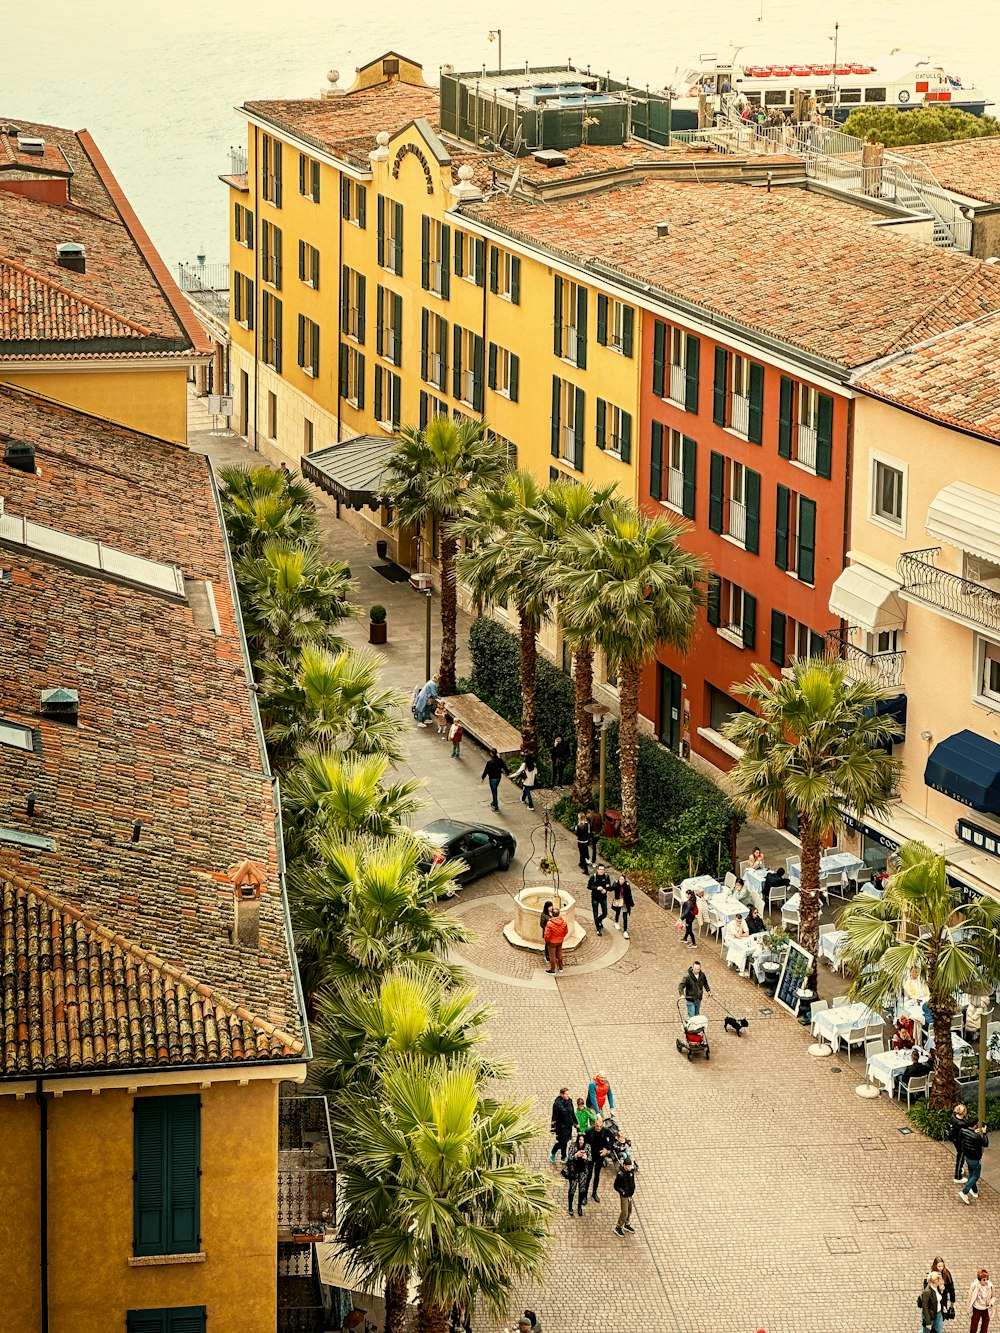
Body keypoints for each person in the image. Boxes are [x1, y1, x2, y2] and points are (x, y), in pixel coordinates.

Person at [585, 1115, 614, 1202]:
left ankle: (594, 1193)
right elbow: (584, 1142)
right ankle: (585, 1194)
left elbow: (612, 1138)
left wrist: (607, 1149)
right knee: (588, 1175)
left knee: (597, 1175)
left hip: (600, 1156)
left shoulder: (605, 1130)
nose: (598, 1128)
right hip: (591, 1155)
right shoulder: (589, 1131)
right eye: (597, 1126)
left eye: (600, 1126)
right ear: (595, 1124)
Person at [959, 1121, 989, 1203]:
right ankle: (964, 1192)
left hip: (967, 1156)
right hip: (975, 1159)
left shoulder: (963, 1131)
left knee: (972, 1174)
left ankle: (974, 1190)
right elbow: (985, 1144)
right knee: (976, 1175)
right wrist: (985, 1133)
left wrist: (973, 1132)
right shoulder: (977, 1137)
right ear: (974, 1126)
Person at [565, 1132, 591, 1217]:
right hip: (574, 1171)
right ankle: (570, 1207)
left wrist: (586, 1158)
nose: (581, 1141)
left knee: (581, 1189)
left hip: (583, 1171)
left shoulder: (587, 1147)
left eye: (583, 1139)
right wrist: (575, 1155)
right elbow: (569, 1157)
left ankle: (579, 1206)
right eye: (580, 1139)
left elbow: (590, 1159)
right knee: (572, 1189)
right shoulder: (573, 1146)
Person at [925, 1258, 956, 1325]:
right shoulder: (931, 1274)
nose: (941, 1268)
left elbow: (951, 1287)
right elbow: (926, 1287)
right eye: (939, 1266)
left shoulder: (946, 1273)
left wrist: (952, 1300)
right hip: (933, 1299)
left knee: (942, 1316)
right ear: (935, 1265)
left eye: (942, 1266)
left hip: (943, 1298)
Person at [612, 1154, 637, 1235]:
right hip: (624, 1195)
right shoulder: (620, 1174)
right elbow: (616, 1186)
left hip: (630, 1194)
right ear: (625, 1166)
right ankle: (618, 1227)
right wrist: (622, 1192)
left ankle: (626, 1223)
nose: (630, 1168)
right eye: (628, 1166)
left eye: (631, 1166)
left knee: (629, 1210)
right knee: (624, 1212)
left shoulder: (631, 1172)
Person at [904, 965, 934, 1032]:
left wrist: (929, 996)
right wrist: (917, 998)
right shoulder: (907, 983)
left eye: (918, 972)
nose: (917, 974)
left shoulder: (921, 980)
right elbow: (910, 994)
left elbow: (927, 990)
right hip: (915, 1000)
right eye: (916, 972)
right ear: (911, 973)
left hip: (925, 998)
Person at [550, 1086, 575, 1163]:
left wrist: (576, 1122)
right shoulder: (557, 1104)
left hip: (568, 1125)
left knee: (565, 1141)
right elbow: (554, 1116)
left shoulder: (570, 1101)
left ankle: (563, 1156)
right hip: (560, 1126)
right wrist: (553, 1128)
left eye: (568, 1094)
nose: (567, 1096)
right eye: (566, 1094)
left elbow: (572, 1113)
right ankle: (553, 1152)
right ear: (561, 1094)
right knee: (562, 1142)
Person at [543, 906, 568, 974]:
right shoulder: (563, 922)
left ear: (552, 914)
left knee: (552, 956)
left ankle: (552, 970)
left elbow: (547, 935)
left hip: (552, 942)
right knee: (559, 953)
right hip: (560, 940)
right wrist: (561, 937)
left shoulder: (550, 923)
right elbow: (566, 931)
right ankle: (560, 968)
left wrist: (547, 941)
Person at [588, 864, 611, 936]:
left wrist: (606, 890)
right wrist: (596, 888)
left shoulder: (606, 877)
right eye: (600, 869)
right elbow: (589, 886)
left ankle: (598, 920)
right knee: (595, 913)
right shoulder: (593, 877)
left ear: (604, 870)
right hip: (595, 898)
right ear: (597, 870)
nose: (601, 871)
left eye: (603, 870)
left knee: (605, 913)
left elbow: (609, 885)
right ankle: (598, 929)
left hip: (603, 897)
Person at [969, 1268, 995, 1333]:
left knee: (984, 1329)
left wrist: (991, 1302)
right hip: (976, 1308)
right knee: (973, 1328)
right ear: (980, 1279)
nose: (986, 1281)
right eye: (984, 1280)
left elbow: (993, 1296)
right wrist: (969, 1308)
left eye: (987, 1279)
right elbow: (970, 1297)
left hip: (986, 1309)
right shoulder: (974, 1286)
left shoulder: (990, 1286)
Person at [950, 1102, 970, 1183]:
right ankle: (957, 1176)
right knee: (960, 1156)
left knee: (960, 1155)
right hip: (959, 1141)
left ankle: (960, 1168)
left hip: (954, 1139)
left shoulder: (953, 1116)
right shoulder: (962, 1123)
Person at [611, 875, 634, 939]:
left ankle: (625, 931)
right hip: (618, 901)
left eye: (622, 879)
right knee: (617, 912)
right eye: (620, 879)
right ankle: (616, 921)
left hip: (624, 902)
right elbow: (611, 888)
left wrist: (631, 903)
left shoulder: (627, 885)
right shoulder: (616, 883)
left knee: (625, 917)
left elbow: (629, 895)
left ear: (624, 880)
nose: (621, 881)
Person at [540, 899, 555, 966]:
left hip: (554, 932)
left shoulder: (553, 913)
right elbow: (541, 924)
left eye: (551, 906)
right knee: (547, 944)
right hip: (547, 932)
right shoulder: (543, 915)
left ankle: (553, 955)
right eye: (549, 907)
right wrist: (547, 928)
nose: (551, 908)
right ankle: (547, 956)